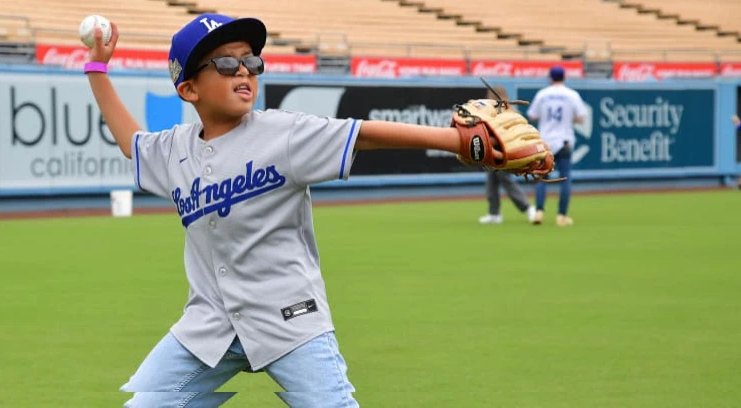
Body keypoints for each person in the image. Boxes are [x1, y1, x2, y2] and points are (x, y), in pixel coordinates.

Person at [84, 13, 540, 407]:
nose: (244, 70)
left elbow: (363, 133)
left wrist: (455, 141)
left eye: (251, 61)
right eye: (225, 63)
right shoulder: (175, 151)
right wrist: (96, 68)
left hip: (291, 319)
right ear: (188, 88)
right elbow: (133, 144)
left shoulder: (283, 133)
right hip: (210, 327)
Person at [526, 66, 589, 227]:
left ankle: (539, 211)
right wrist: (569, 120)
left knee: (541, 177)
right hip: (564, 140)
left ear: (550, 78)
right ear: (564, 77)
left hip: (545, 141)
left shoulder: (542, 94)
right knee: (565, 178)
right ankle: (561, 216)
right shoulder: (572, 95)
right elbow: (582, 118)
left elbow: (532, 115)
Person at [477, 84, 536, 225]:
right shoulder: (504, 109)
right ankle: (494, 213)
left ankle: (528, 208)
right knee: (491, 182)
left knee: (506, 181)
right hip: (495, 152)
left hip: (503, 152)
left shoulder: (502, 110)